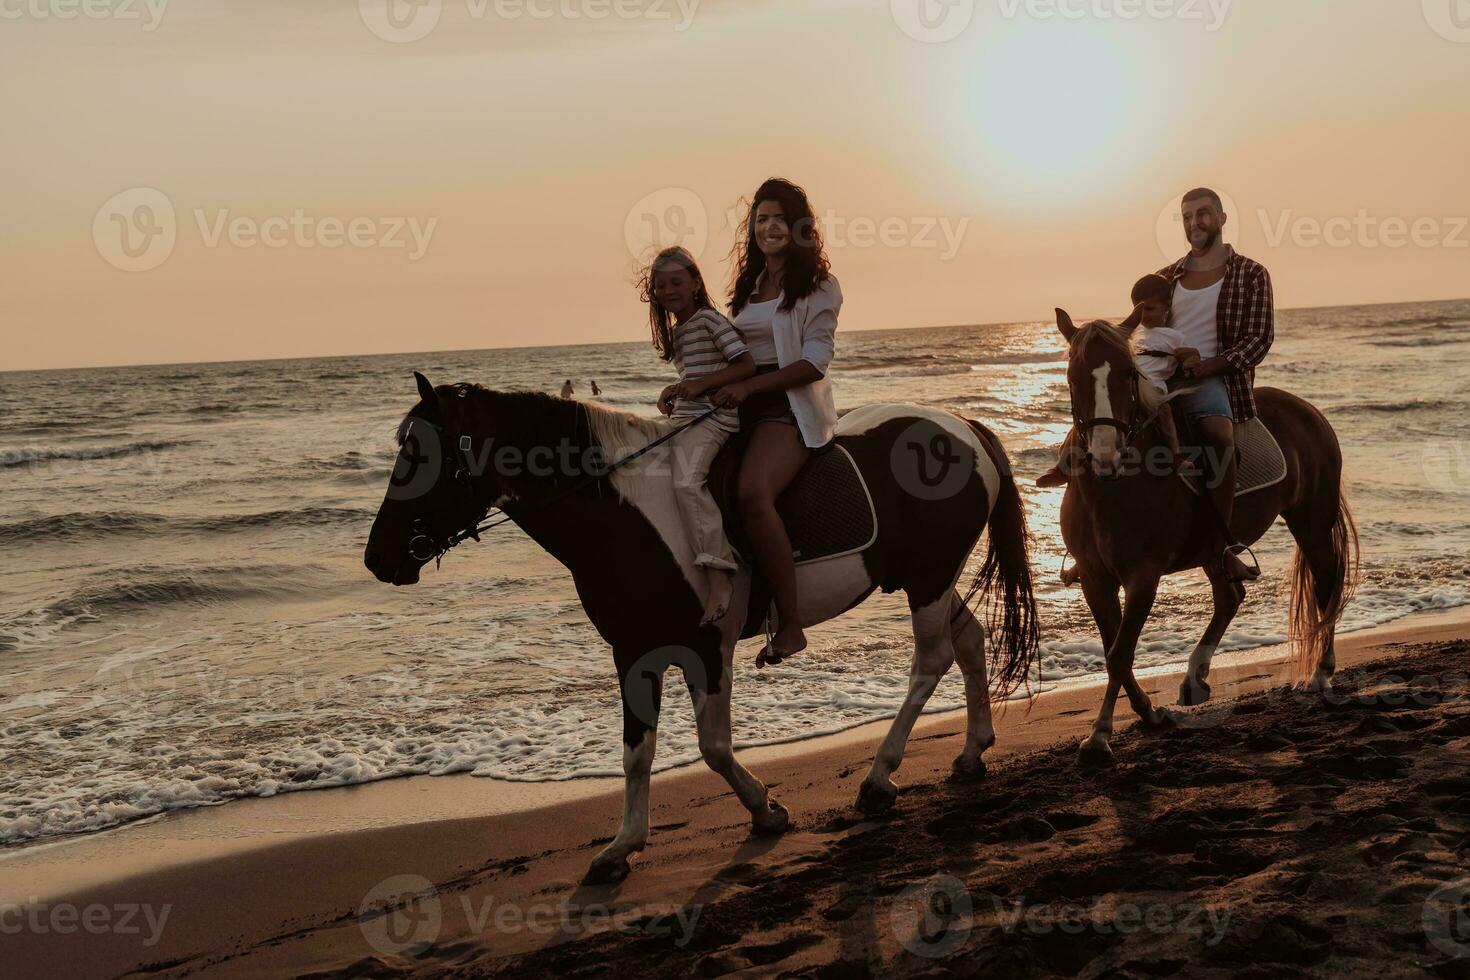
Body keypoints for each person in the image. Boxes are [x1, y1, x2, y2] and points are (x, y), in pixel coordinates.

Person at [712, 178, 842, 664]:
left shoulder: (819, 287)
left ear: (799, 228)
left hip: (788, 408)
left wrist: (748, 388)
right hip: (740, 404)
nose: (770, 227)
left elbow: (814, 363)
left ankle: (790, 624)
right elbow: (734, 353)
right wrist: (694, 386)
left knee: (751, 492)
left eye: (780, 219)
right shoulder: (746, 287)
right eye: (762, 219)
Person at [1158, 187, 1273, 582]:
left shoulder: (1252, 274)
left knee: (1220, 441)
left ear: (1222, 219)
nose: (1195, 223)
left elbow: (1259, 339)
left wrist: (1208, 366)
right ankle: (1084, 546)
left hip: (1214, 379)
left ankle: (1222, 548)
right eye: (1187, 217)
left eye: (1203, 214)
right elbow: (1144, 326)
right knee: (1105, 422)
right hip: (1161, 376)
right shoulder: (1164, 277)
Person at [645, 246, 757, 625]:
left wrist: (701, 386)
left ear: (695, 283)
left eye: (677, 281)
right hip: (688, 417)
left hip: (715, 419)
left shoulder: (710, 321)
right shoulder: (679, 333)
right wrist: (673, 391)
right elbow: (691, 375)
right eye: (661, 285)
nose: (669, 290)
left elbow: (745, 364)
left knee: (688, 482)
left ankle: (719, 571)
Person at [1037, 273, 1189, 491]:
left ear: (1167, 307)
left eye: (1150, 309)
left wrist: (1192, 359)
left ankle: (1175, 454)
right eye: (1141, 309)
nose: (1145, 315)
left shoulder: (1173, 337)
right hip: (1132, 380)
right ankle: (1061, 467)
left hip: (1154, 385)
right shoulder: (1131, 334)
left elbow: (1185, 356)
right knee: (1083, 422)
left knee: (1163, 411)